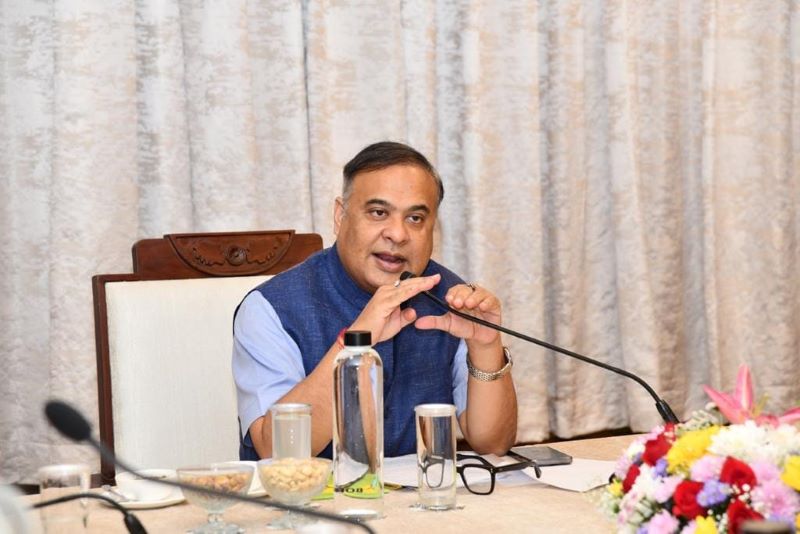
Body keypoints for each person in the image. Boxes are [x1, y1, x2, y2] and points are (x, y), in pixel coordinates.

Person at [232, 141, 517, 460]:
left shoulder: (450, 300)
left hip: (422, 490)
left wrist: (487, 348)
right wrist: (356, 341)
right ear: (340, 216)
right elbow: (278, 453)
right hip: (315, 492)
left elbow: (493, 444)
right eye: (379, 213)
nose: (397, 234)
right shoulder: (271, 308)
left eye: (415, 218)